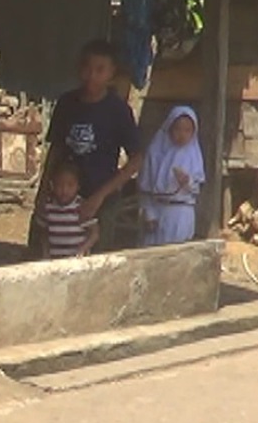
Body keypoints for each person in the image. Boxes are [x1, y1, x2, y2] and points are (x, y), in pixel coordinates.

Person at [28, 40, 141, 257]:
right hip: (62, 196)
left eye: (100, 70)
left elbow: (136, 159)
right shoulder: (67, 104)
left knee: (94, 261)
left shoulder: (118, 111)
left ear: (111, 73)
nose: (92, 75)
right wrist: (43, 193)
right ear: (80, 69)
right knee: (45, 254)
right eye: (88, 68)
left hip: (100, 201)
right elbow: (56, 150)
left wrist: (100, 196)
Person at [137, 105, 204, 247]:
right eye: (178, 129)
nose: (182, 134)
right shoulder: (156, 152)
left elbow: (197, 187)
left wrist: (187, 181)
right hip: (157, 210)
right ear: (169, 128)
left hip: (181, 213)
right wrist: (149, 213)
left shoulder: (193, 155)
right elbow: (145, 186)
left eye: (187, 130)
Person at [36, 158, 100, 259]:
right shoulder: (48, 206)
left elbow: (94, 233)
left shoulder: (81, 207)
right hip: (55, 260)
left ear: (78, 186)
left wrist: (82, 250)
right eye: (59, 185)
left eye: (70, 185)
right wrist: (46, 252)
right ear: (52, 185)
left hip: (76, 262)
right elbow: (44, 232)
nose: (64, 190)